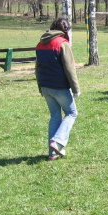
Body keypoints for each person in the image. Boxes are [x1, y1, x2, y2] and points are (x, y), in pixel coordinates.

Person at [35, 17, 80, 160]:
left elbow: (37, 67)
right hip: (59, 86)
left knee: (55, 116)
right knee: (72, 113)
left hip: (45, 86)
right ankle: (58, 141)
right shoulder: (62, 43)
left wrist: (40, 87)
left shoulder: (41, 43)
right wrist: (76, 88)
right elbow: (69, 68)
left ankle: (52, 152)